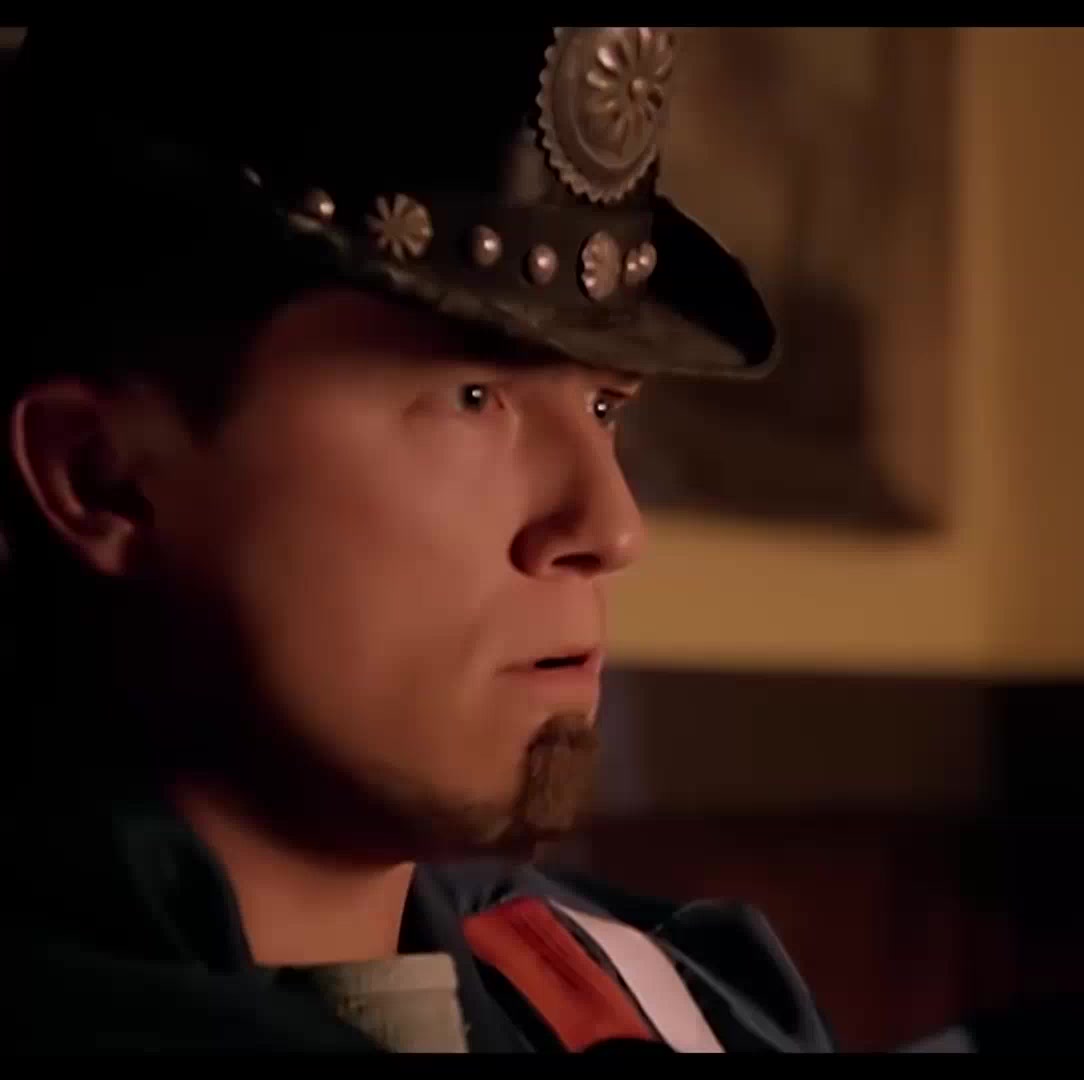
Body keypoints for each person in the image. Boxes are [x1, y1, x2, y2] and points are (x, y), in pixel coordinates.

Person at [0, 27, 833, 1052]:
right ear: (103, 479)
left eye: (605, 407)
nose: (611, 527)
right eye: (473, 397)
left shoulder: (680, 1008)